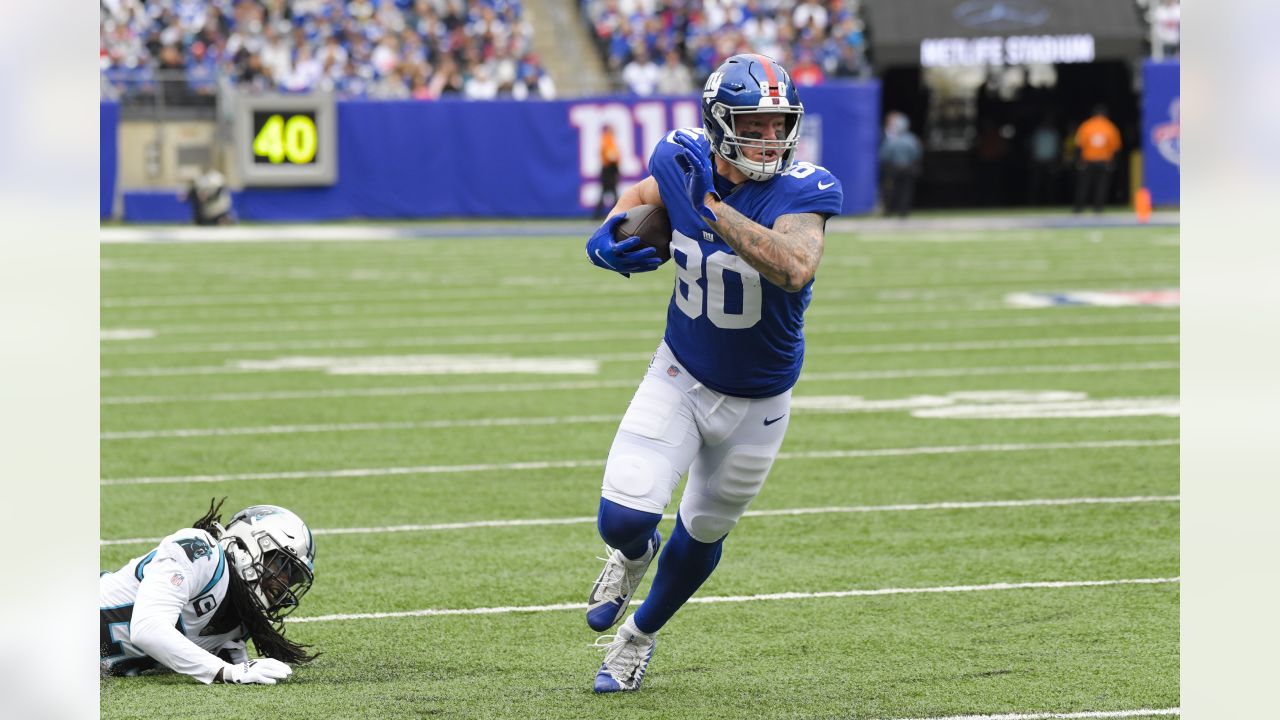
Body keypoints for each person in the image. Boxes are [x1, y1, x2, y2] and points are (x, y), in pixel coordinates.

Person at [582, 53, 843, 693]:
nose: (770, 139)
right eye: (753, 125)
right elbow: (643, 198)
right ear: (719, 122)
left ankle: (636, 639)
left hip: (760, 400)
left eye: (778, 125)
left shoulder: (805, 188)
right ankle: (633, 555)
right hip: (680, 371)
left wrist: (711, 207)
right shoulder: (679, 156)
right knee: (621, 520)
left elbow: (794, 265)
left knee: (702, 531)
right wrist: (608, 233)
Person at [99, 500, 317, 684]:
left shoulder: (237, 620)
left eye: (293, 576)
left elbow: (229, 662)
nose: (285, 581)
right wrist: (227, 671)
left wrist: (240, 667)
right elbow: (148, 629)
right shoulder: (202, 551)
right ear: (247, 545)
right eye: (281, 565)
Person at [1072, 105, 1122, 214]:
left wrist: (1079, 160)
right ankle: (1098, 208)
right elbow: (1116, 147)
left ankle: (1079, 208)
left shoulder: (1086, 125)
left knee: (1084, 185)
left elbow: (1079, 145)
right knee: (1101, 186)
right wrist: (1113, 162)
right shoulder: (1110, 127)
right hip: (1104, 161)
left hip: (1088, 160)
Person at [878, 111, 922, 217]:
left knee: (894, 189)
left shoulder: (893, 140)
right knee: (906, 190)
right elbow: (917, 153)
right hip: (908, 168)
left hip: (895, 168)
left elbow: (885, 155)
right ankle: (904, 211)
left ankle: (891, 209)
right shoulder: (911, 139)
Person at [594, 125, 622, 218]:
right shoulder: (607, 140)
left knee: (609, 193)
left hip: (610, 170)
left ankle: (599, 214)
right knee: (610, 192)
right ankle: (617, 212)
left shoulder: (609, 140)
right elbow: (611, 156)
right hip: (608, 170)